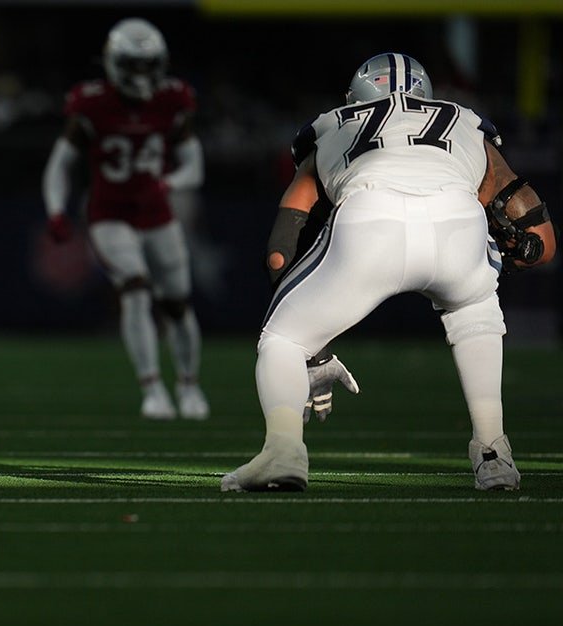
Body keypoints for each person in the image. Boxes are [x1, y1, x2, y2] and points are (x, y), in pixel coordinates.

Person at [222, 53, 555, 492]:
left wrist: (312, 347)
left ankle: (284, 451)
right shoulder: (462, 118)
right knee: (475, 309)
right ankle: (494, 452)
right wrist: (532, 247)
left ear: (356, 97)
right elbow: (521, 205)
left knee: (282, 339)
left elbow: (282, 249)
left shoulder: (333, 123)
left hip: (370, 218)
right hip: (456, 217)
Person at [42, 17, 209, 421]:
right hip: (109, 215)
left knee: (177, 304)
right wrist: (56, 209)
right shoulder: (91, 103)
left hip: (157, 215)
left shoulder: (173, 100)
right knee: (134, 290)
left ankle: (188, 385)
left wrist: (167, 183)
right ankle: (152, 389)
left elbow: (195, 167)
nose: (141, 74)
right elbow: (59, 164)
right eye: (134, 64)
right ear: (116, 62)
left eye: (147, 64)